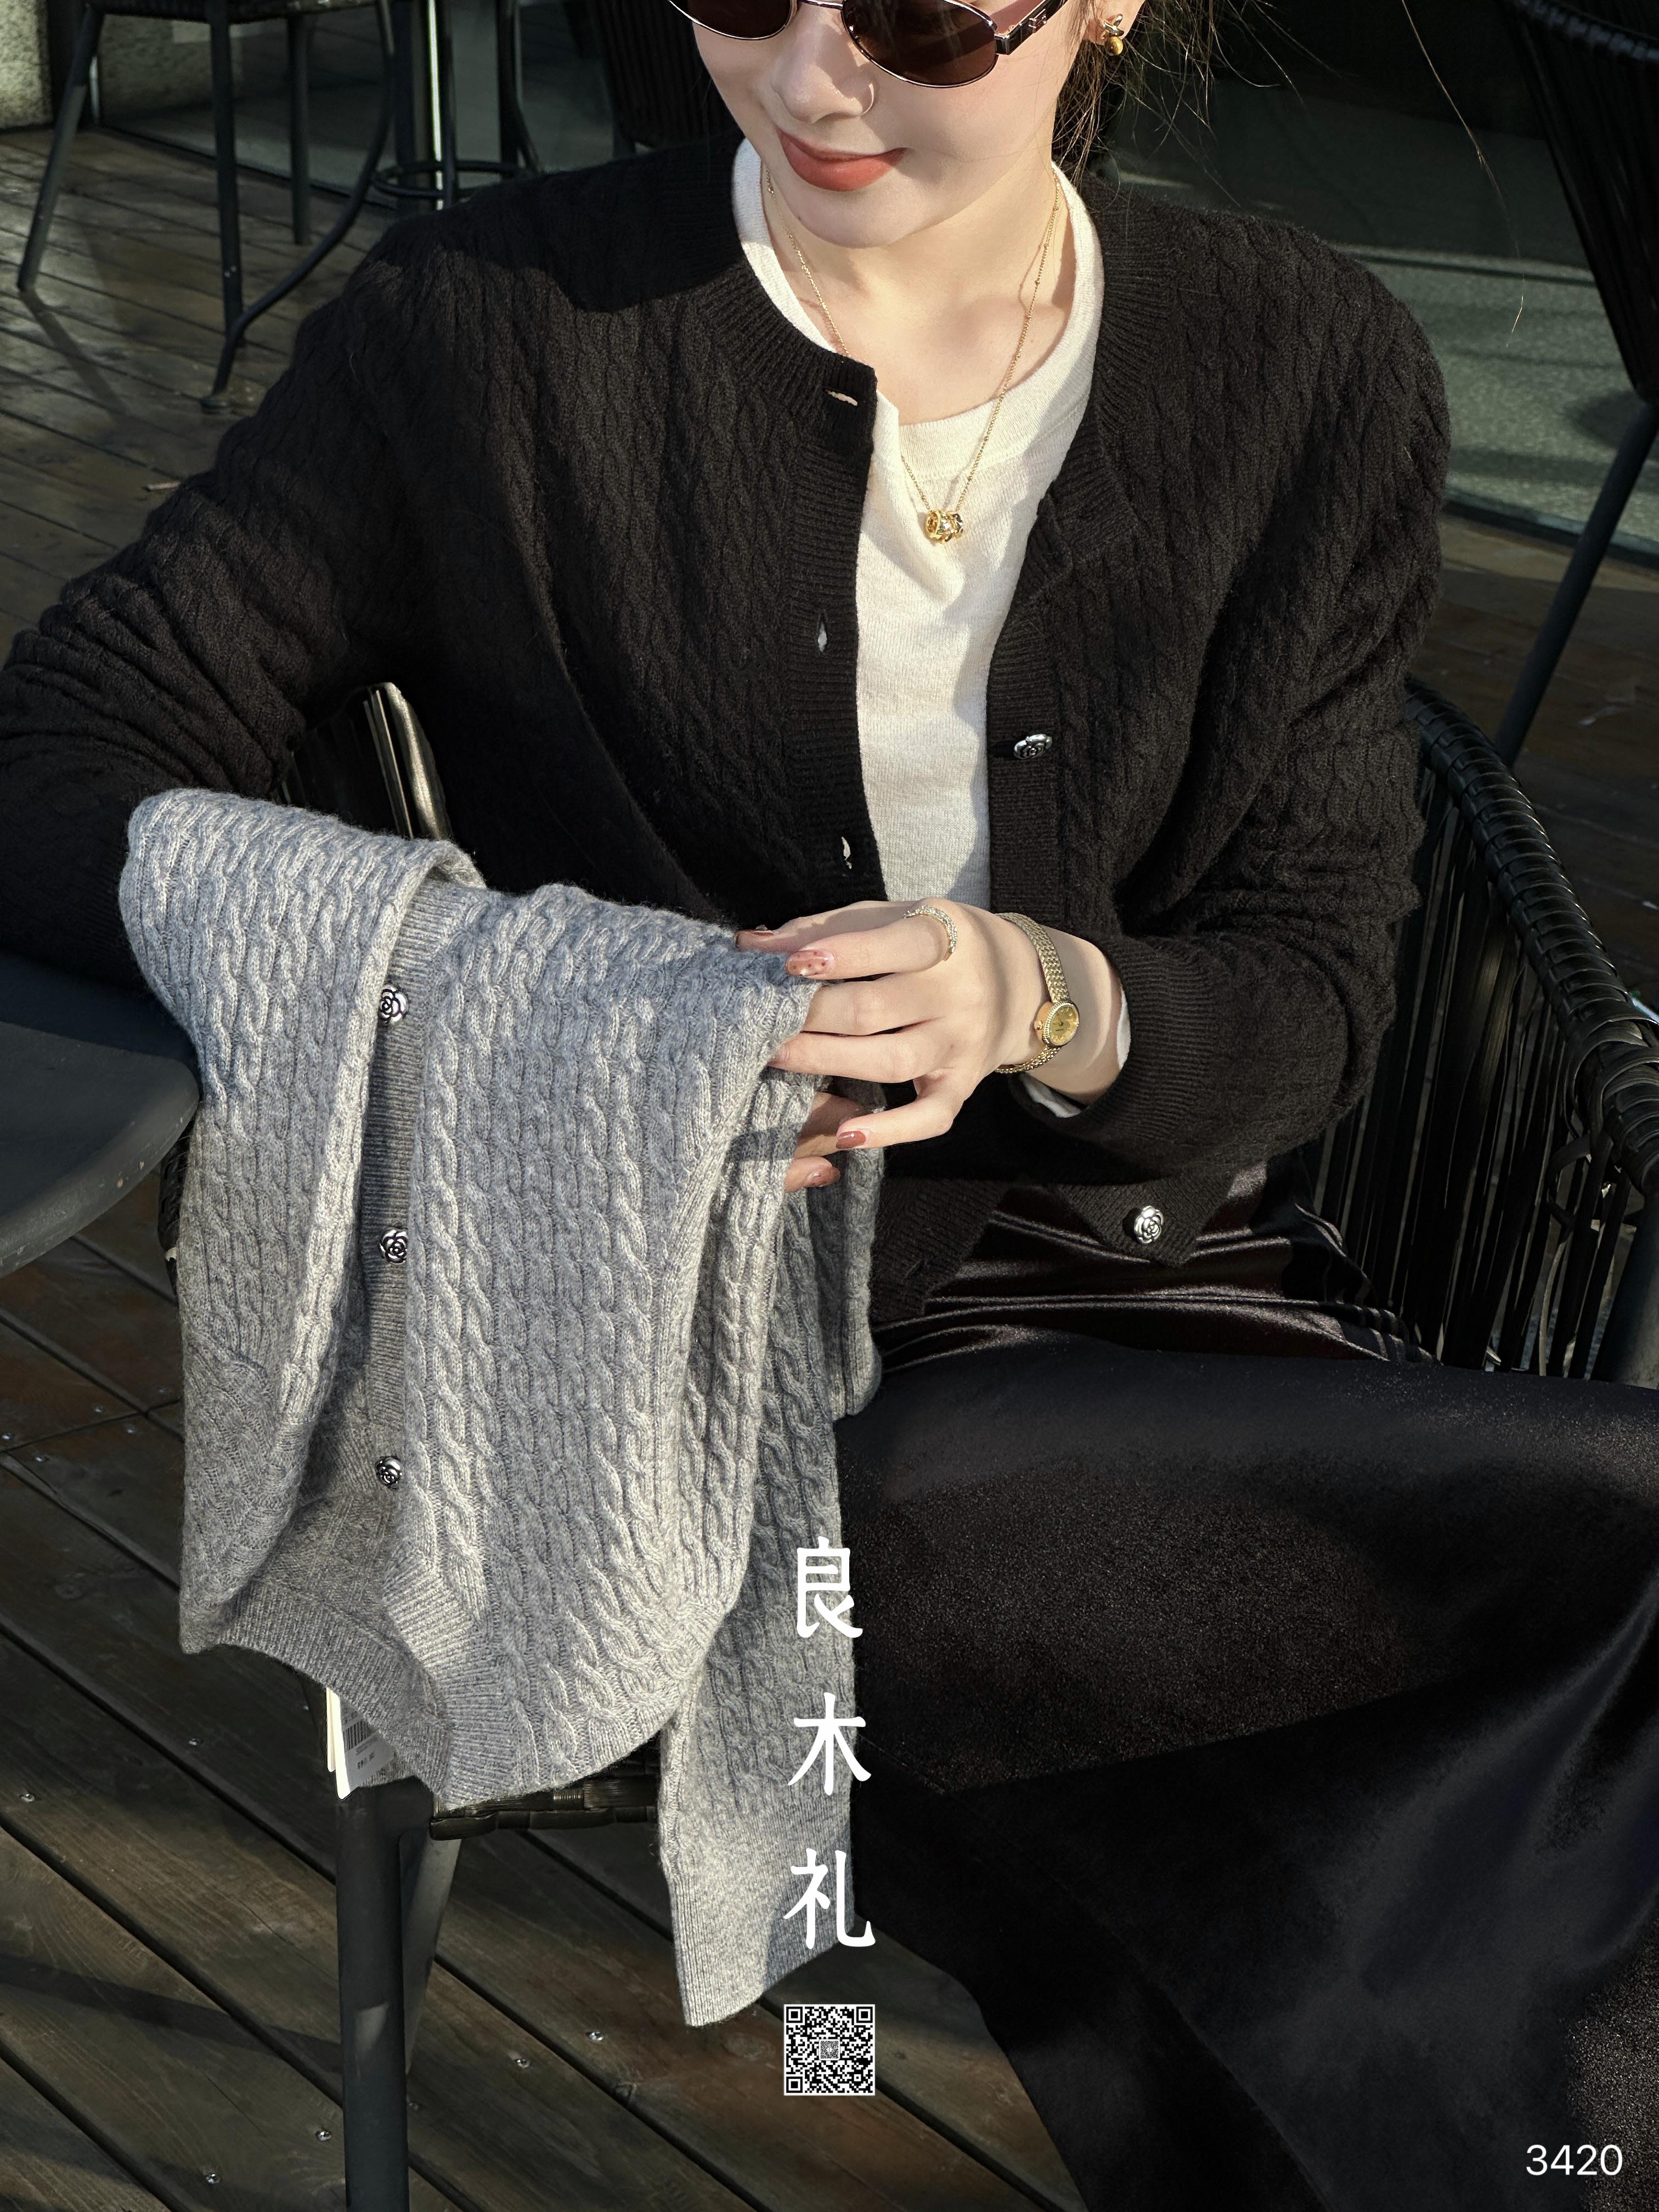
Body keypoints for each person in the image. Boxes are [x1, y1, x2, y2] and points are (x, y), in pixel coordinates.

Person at [1, 1, 1655, 2204]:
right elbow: (61, 758)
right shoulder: (488, 332)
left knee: (1464, 1841)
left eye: (925, 18)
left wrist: (1043, 996)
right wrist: (558, 1006)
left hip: (1141, 1308)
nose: (809, 81)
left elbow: (1314, 988)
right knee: (1583, 1581)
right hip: (682, 1359)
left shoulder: (1302, 364)